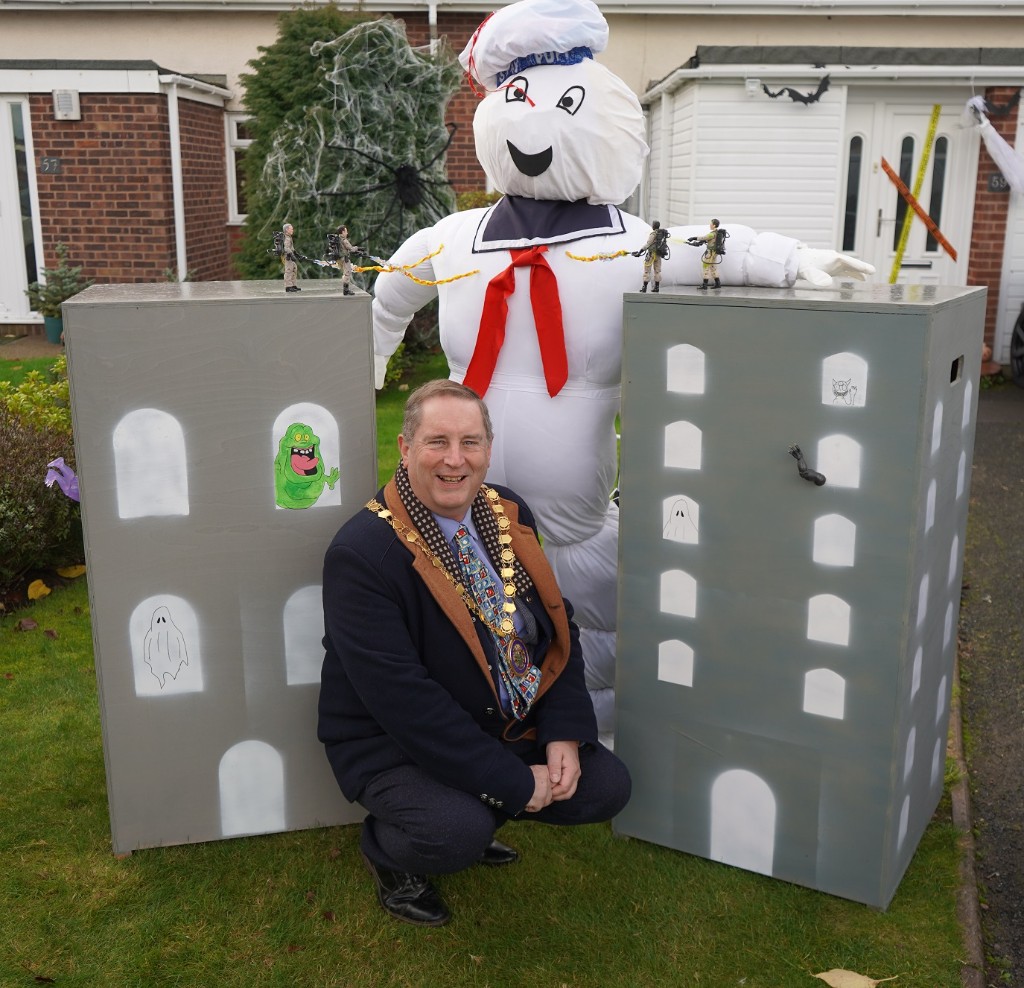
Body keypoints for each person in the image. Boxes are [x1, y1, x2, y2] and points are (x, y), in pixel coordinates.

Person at [318, 379, 631, 927]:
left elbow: (557, 628)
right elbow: (404, 702)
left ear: (489, 448)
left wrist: (562, 731)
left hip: (499, 715)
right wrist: (512, 782)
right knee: (454, 832)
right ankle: (391, 853)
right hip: (395, 741)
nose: (454, 461)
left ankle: (482, 804)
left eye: (471, 443)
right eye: (437, 442)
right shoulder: (361, 554)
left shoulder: (508, 511)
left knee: (605, 786)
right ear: (406, 448)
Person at [687, 218, 726, 290]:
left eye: (711, 224)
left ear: (714, 225)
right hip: (714, 253)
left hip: (710, 253)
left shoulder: (712, 234)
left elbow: (703, 238)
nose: (710, 225)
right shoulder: (717, 233)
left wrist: (694, 238)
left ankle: (704, 285)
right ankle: (718, 283)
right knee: (713, 267)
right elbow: (706, 240)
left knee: (706, 267)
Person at [634, 219, 669, 292]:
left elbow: (648, 244)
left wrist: (640, 252)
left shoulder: (653, 234)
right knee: (657, 271)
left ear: (654, 226)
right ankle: (657, 287)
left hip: (651, 254)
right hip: (658, 255)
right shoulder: (662, 234)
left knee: (647, 271)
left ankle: (644, 288)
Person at [335, 224, 361, 296]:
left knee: (345, 273)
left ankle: (346, 289)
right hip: (344, 259)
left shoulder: (337, 239)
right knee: (347, 273)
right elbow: (351, 249)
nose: (347, 233)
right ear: (343, 232)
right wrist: (357, 248)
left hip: (338, 259)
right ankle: (346, 290)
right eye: (346, 231)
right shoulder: (344, 240)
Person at [282, 222, 299, 293]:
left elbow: (291, 247)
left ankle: (293, 285)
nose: (292, 230)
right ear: (287, 230)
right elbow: (286, 247)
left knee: (294, 269)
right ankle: (288, 286)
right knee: (289, 270)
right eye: (291, 229)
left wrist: (295, 253)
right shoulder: (287, 238)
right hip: (288, 256)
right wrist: (291, 254)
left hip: (291, 256)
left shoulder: (289, 237)